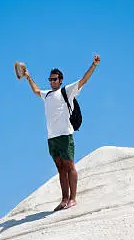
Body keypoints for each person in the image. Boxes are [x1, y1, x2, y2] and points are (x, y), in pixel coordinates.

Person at [23, 55, 100, 211]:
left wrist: (93, 65)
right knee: (60, 169)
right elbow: (36, 91)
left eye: (54, 79)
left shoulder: (67, 91)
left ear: (60, 80)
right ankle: (64, 199)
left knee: (70, 166)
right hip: (52, 138)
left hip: (65, 135)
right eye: (50, 80)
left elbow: (83, 80)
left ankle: (73, 199)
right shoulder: (48, 95)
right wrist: (28, 77)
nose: (52, 82)